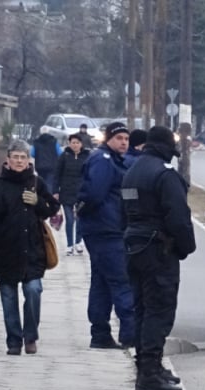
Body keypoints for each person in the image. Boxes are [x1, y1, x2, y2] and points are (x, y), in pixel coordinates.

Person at [122, 126, 196, 390]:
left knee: (142, 309)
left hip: (133, 246)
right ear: (166, 148)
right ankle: (150, 373)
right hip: (158, 249)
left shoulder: (131, 172)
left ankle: (146, 366)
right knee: (159, 310)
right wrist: (186, 247)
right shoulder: (165, 175)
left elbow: (124, 212)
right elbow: (178, 217)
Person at [0, 140, 60, 356]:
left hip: (32, 249)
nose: (19, 161)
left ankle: (30, 336)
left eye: (23, 157)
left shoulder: (36, 183)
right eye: (15, 157)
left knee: (33, 290)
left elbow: (52, 208)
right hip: (6, 250)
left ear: (28, 160)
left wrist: (38, 202)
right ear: (8, 159)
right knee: (8, 296)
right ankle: (14, 340)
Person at [76, 122, 136, 349]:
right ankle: (130, 334)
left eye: (126, 139)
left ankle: (100, 334)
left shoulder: (114, 160)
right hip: (106, 230)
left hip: (104, 229)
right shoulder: (103, 160)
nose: (124, 143)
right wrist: (83, 211)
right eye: (119, 138)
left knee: (101, 282)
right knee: (121, 281)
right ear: (108, 139)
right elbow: (94, 194)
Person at [54, 133, 91, 255]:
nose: (75, 145)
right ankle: (69, 245)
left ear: (81, 144)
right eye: (72, 142)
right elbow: (57, 174)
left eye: (77, 143)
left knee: (80, 219)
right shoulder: (64, 156)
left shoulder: (87, 157)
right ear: (69, 144)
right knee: (70, 219)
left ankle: (78, 242)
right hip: (66, 192)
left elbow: (90, 175)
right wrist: (55, 191)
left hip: (81, 193)